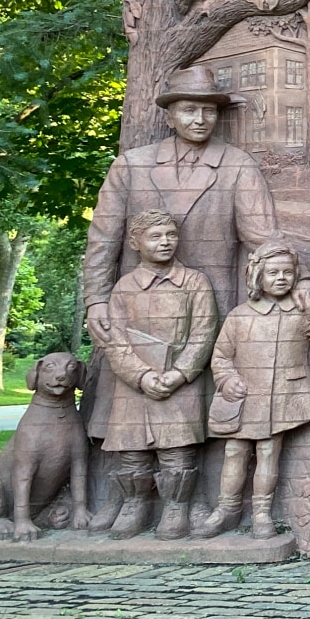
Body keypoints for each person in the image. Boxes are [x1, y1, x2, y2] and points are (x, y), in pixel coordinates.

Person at [81, 65, 310, 524]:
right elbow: (103, 241)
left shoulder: (236, 165)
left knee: (194, 407)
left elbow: (262, 233)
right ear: (169, 115)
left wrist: (304, 278)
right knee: (132, 407)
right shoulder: (131, 165)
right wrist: (95, 299)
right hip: (137, 308)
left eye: (209, 111)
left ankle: (190, 501)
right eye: (189, 110)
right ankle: (128, 499)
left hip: (206, 303)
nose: (199, 119)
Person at [200, 242, 310, 538]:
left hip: (281, 398)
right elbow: (222, 356)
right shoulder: (239, 316)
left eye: (288, 272)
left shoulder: (299, 313)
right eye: (273, 273)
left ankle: (262, 513)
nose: (281, 278)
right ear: (258, 276)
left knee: (268, 452)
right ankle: (226, 509)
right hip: (245, 401)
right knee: (235, 451)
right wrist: (227, 379)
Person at [90, 209, 220, 539]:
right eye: (155, 236)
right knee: (132, 451)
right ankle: (135, 504)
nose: (165, 242)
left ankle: (176, 506)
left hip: (180, 382)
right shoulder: (124, 288)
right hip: (134, 385)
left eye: (171, 235)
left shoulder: (195, 282)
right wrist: (141, 376)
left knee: (177, 451)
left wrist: (180, 373)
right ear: (136, 242)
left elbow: (204, 333)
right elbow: (116, 341)